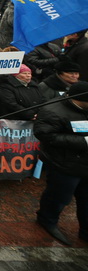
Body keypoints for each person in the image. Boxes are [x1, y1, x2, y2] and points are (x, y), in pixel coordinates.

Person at [33, 80, 88, 245]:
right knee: (59, 197)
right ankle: (47, 220)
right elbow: (45, 135)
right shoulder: (52, 111)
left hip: (85, 163)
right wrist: (84, 141)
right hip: (63, 164)